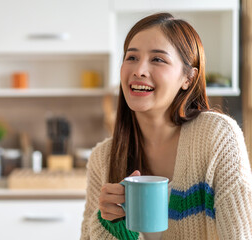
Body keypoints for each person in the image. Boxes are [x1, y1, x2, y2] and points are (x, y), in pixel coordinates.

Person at [80, 12, 252, 240]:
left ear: (188, 78)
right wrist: (111, 226)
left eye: (157, 59)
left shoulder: (217, 137)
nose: (139, 70)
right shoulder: (103, 159)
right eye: (131, 58)